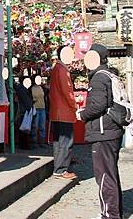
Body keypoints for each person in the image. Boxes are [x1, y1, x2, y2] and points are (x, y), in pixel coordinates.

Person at [77, 44, 123, 219]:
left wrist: (82, 114)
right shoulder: (110, 75)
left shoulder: (98, 78)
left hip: (103, 132)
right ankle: (114, 212)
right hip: (113, 130)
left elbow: (97, 105)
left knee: (104, 175)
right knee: (111, 173)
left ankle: (109, 214)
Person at [49, 47, 78, 180]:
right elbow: (67, 92)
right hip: (64, 111)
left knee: (58, 141)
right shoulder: (62, 69)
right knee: (66, 141)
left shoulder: (56, 68)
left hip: (56, 110)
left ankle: (59, 166)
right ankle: (61, 169)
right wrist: (75, 104)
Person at [31, 79, 46, 146]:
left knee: (42, 126)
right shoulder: (32, 88)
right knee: (35, 126)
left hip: (42, 108)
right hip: (36, 108)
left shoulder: (41, 87)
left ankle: (41, 142)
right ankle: (34, 141)